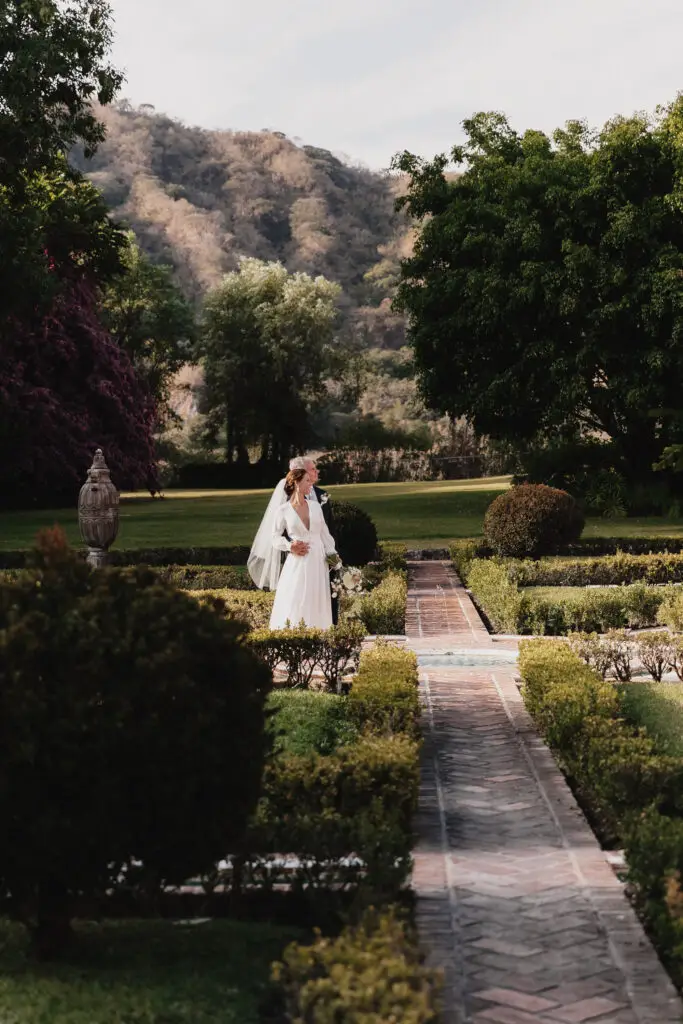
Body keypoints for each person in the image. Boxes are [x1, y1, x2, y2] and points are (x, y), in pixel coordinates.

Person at [267, 467, 338, 629]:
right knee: (296, 596)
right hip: (298, 560)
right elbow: (274, 537)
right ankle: (294, 632)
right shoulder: (283, 510)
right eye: (307, 481)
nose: (311, 484)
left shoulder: (315, 506)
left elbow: (325, 534)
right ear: (296, 483)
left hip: (318, 560)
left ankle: (318, 633)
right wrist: (289, 546)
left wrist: (333, 555)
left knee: (317, 598)